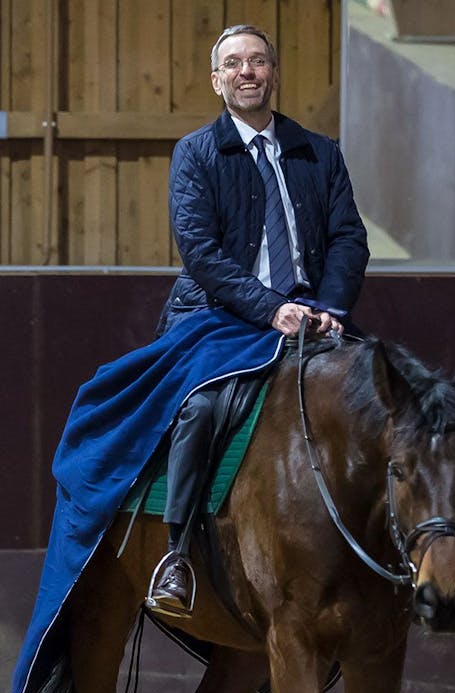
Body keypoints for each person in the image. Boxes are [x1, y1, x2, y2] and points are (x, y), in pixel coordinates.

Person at [147, 24, 369, 617]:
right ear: (218, 81)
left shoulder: (320, 152)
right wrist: (271, 308)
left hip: (314, 314)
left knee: (388, 393)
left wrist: (328, 309)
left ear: (274, 74)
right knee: (202, 406)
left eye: (258, 62)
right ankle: (178, 552)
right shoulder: (195, 153)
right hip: (221, 313)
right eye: (235, 64)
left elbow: (349, 238)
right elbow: (200, 250)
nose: (248, 72)